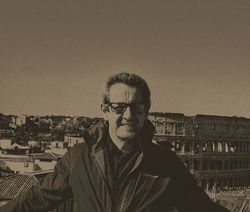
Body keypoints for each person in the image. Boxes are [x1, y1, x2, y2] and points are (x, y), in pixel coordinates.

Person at [1, 72, 229, 212]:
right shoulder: (78, 158)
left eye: (137, 108)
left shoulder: (166, 164)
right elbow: (35, 200)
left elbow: (202, 208)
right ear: (105, 111)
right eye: (119, 107)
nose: (128, 115)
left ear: (146, 112)